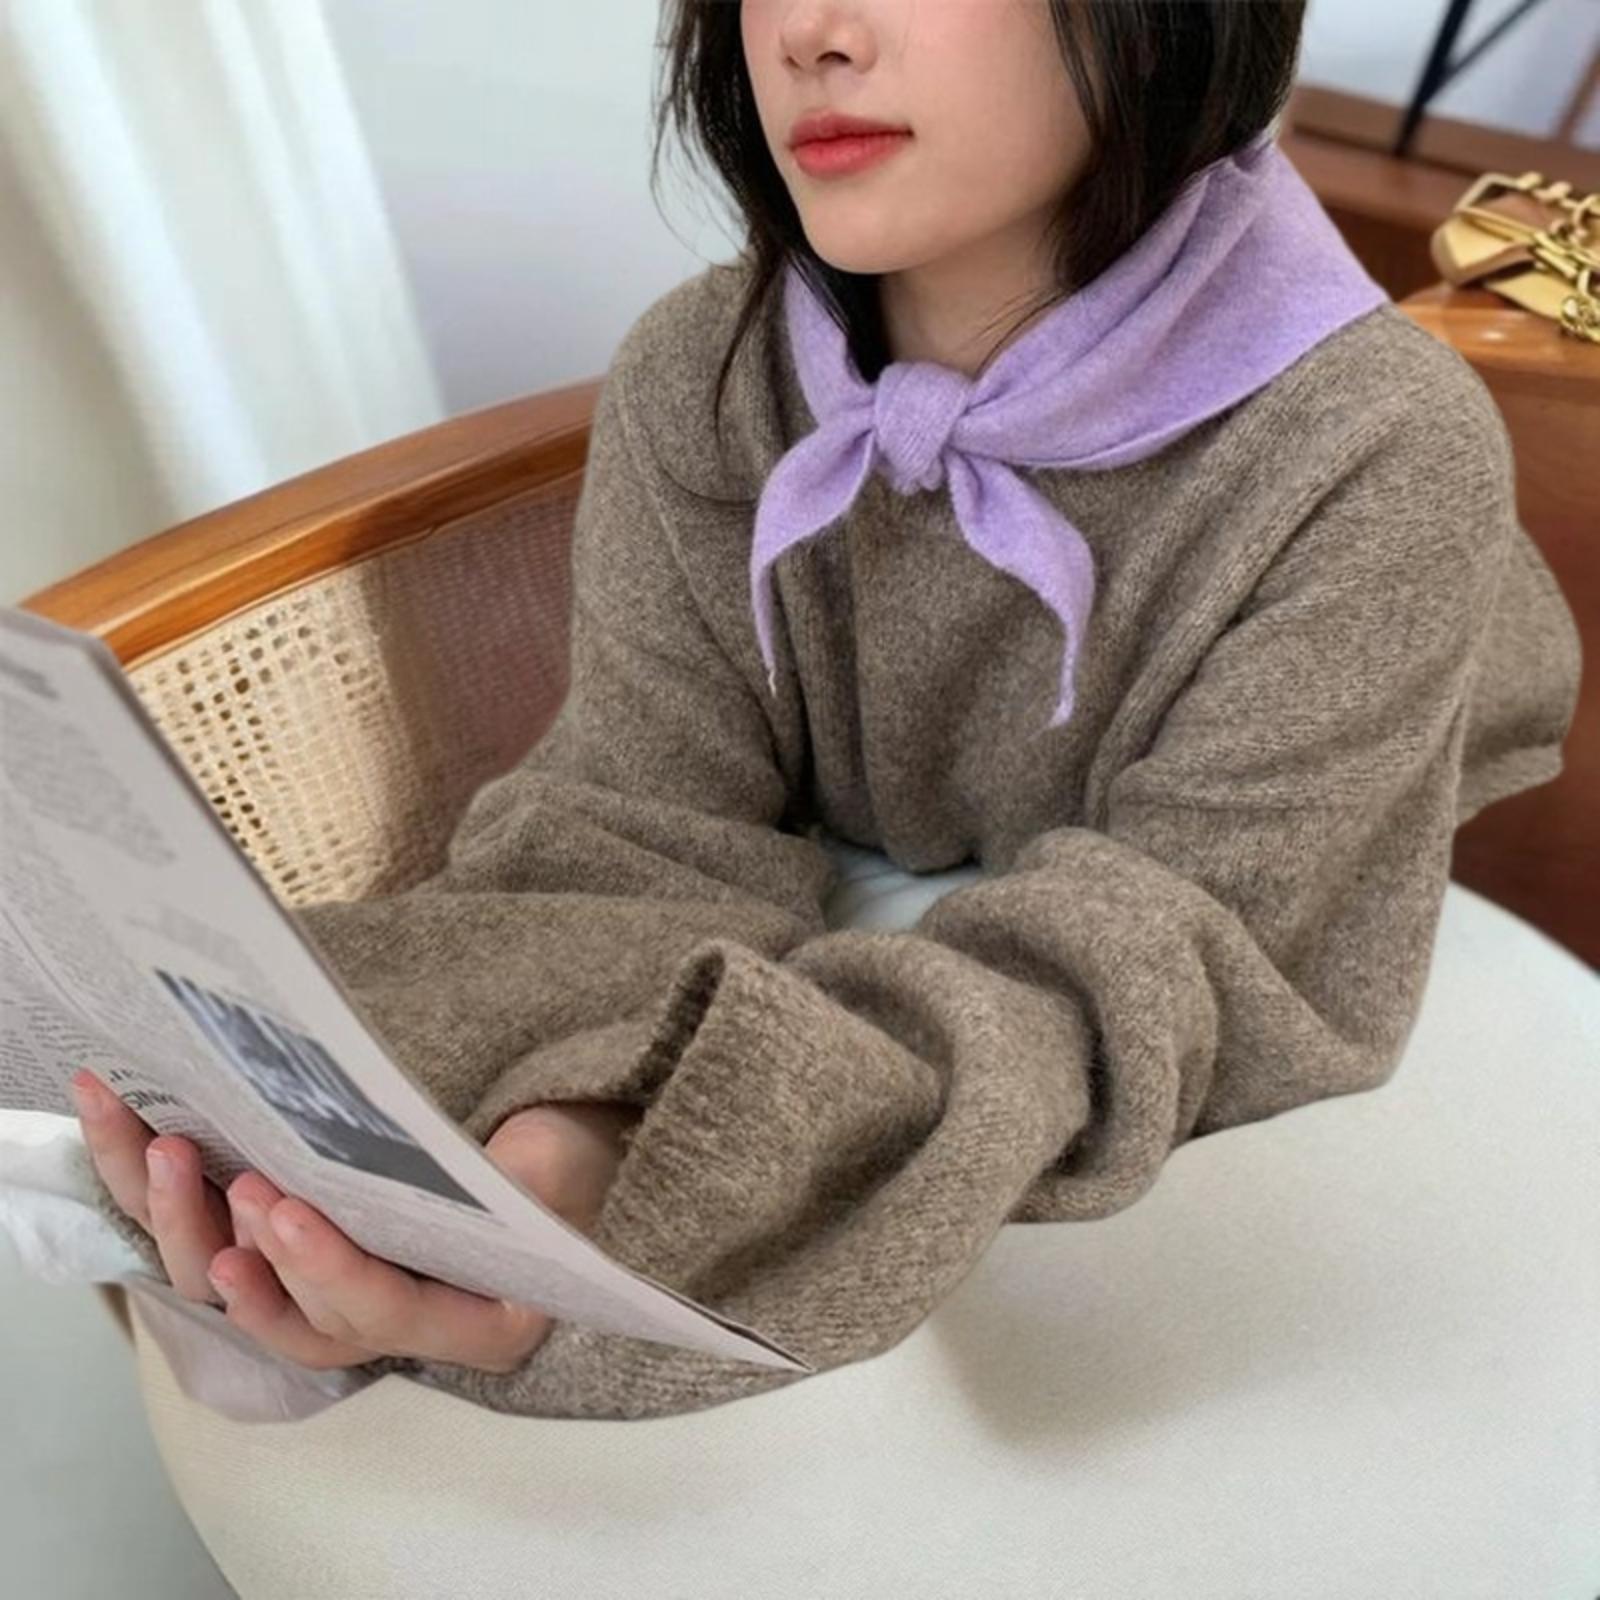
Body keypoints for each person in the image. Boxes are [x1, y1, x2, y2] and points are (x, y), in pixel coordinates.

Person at [75, 0, 1581, 1420]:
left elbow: (1168, 958)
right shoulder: (706, 372)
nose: (811, 32)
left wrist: (669, 1181)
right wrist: (564, 1119)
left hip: (1269, 884)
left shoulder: (1372, 449)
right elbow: (634, 826)